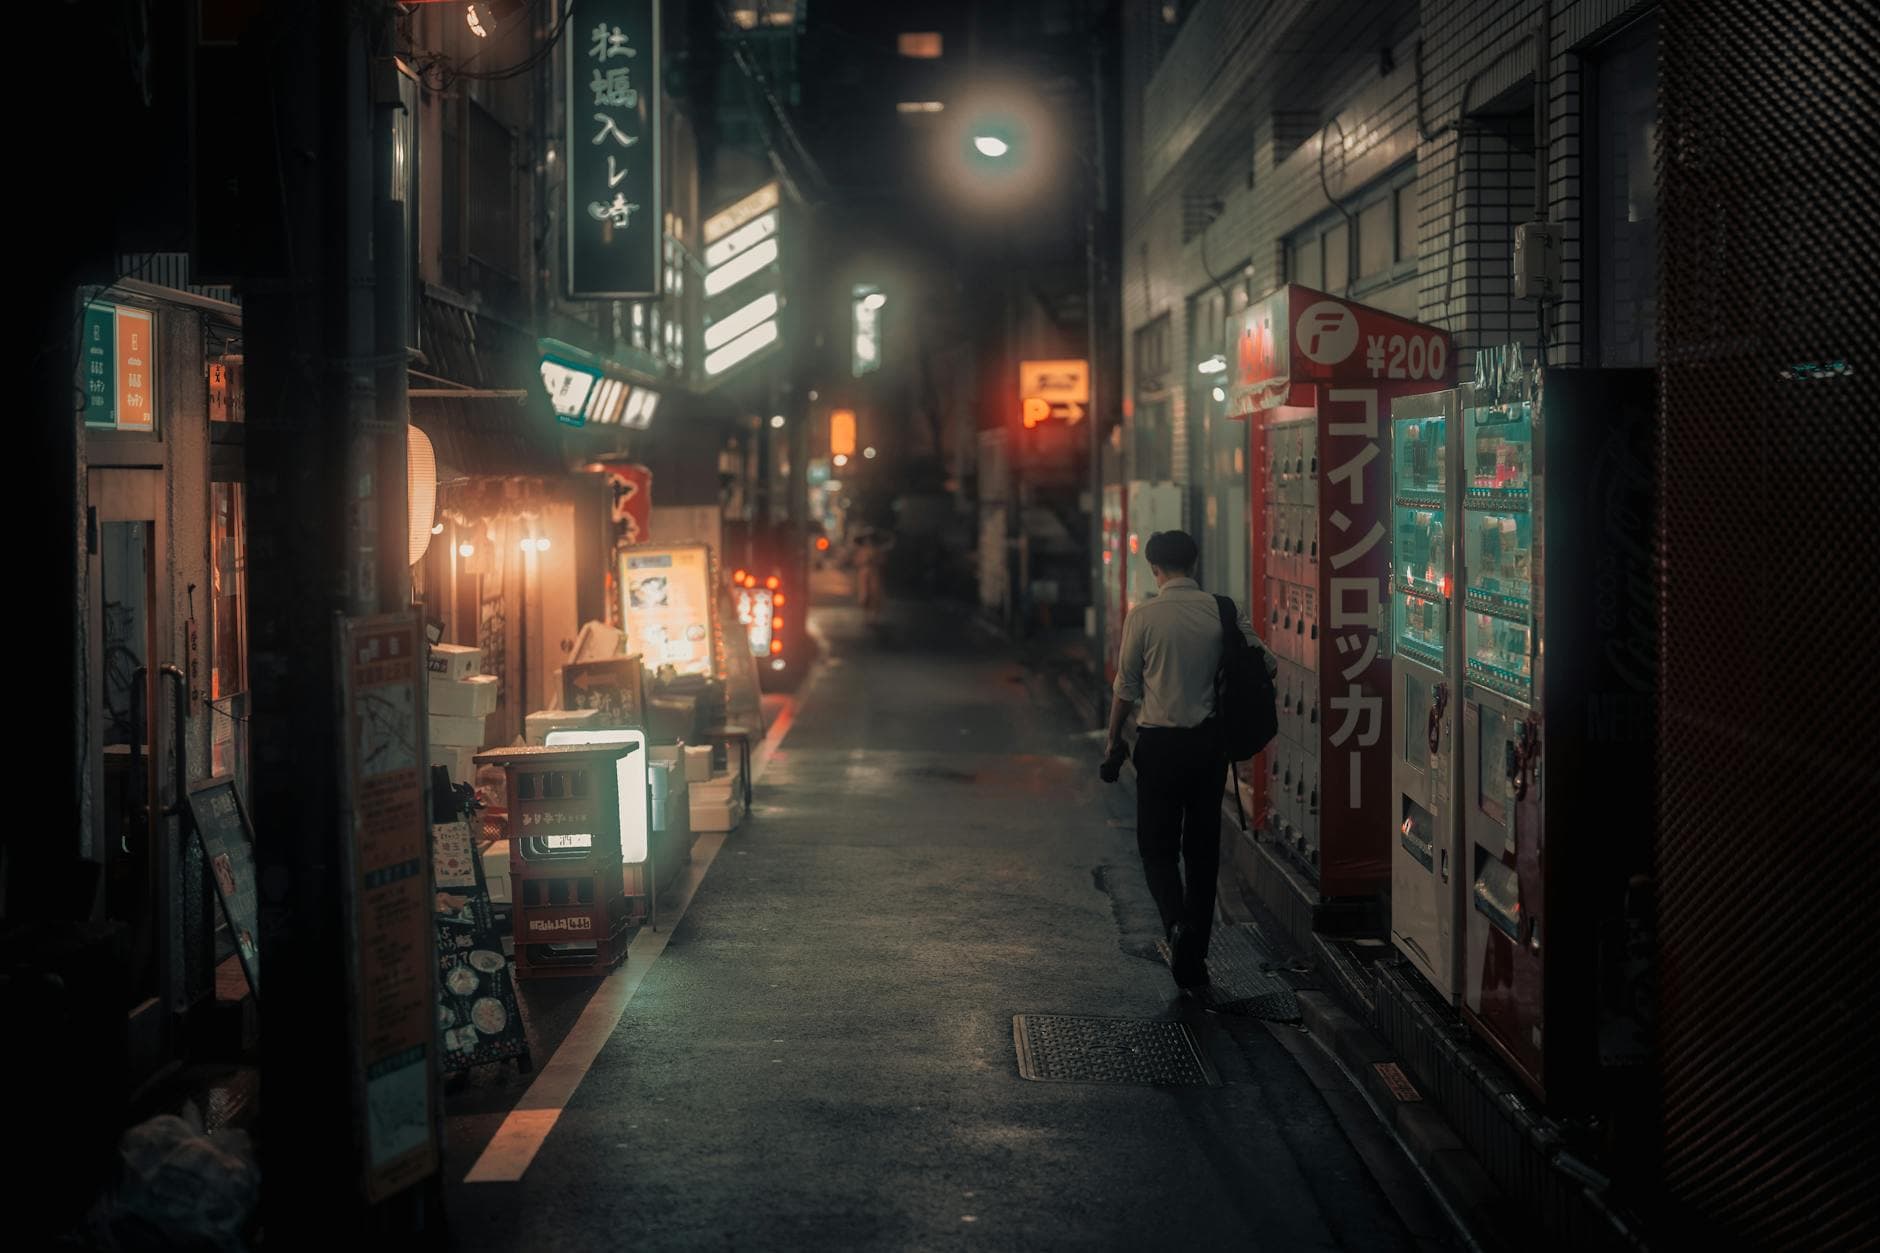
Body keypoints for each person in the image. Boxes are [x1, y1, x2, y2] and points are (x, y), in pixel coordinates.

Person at [1104, 530, 1278, 994]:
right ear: (1194, 562)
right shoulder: (1223, 609)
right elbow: (1267, 664)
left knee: (1156, 849)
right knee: (1201, 854)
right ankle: (1195, 954)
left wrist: (1111, 746)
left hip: (1158, 747)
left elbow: (1126, 688)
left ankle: (1175, 926)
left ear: (1154, 568)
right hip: (1208, 748)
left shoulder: (1143, 616)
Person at [854, 527, 894, 622]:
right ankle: (866, 614)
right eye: (866, 539)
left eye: (870, 539)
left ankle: (874, 615)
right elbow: (857, 561)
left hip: (874, 573)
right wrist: (864, 561)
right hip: (864, 573)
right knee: (865, 594)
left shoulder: (878, 550)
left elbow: (883, 561)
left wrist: (875, 560)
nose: (868, 541)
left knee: (875, 593)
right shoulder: (861, 550)